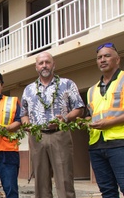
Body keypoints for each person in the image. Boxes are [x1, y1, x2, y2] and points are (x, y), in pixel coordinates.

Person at [20, 51, 84, 198]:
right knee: (41, 182)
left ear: (53, 65)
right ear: (36, 67)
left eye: (47, 62)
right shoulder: (28, 89)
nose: (44, 65)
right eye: (41, 63)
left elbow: (79, 108)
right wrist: (28, 125)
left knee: (64, 179)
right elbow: (23, 114)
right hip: (37, 137)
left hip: (60, 135)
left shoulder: (67, 84)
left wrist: (66, 118)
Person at [86, 42, 124, 197]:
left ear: (117, 59)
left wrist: (109, 123)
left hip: (120, 143)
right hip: (96, 146)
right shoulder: (91, 90)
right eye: (99, 57)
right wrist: (86, 121)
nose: (102, 59)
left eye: (107, 56)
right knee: (107, 191)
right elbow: (91, 114)